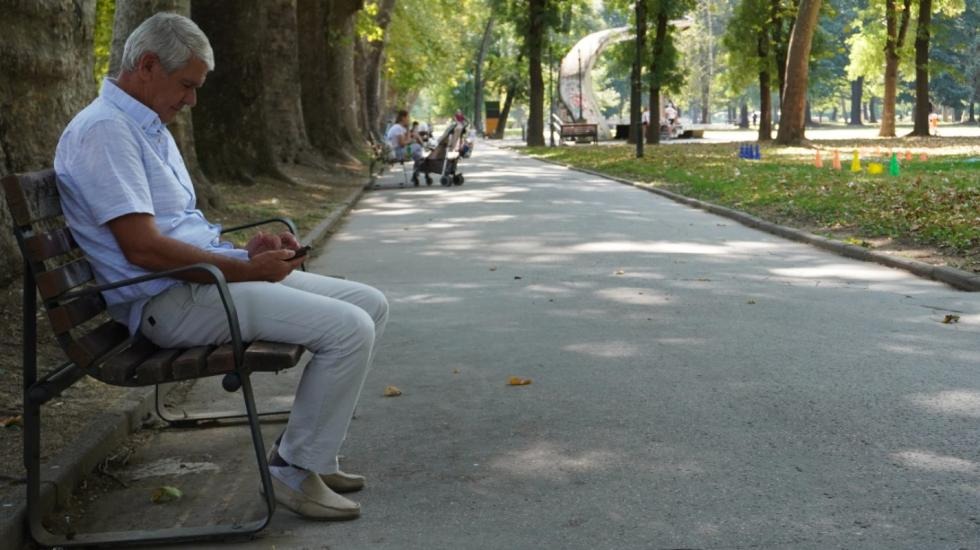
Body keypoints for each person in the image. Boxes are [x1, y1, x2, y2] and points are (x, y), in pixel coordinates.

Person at [53, 13, 388, 521]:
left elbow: (179, 229)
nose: (191, 100)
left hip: (197, 286)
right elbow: (144, 250)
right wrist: (247, 272)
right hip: (167, 301)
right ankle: (294, 471)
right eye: (186, 85)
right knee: (350, 328)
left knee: (370, 303)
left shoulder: (146, 126)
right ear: (147, 66)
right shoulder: (106, 132)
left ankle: (313, 452)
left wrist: (244, 253)